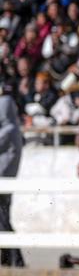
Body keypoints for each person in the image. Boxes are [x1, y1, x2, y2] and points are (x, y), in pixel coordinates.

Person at [0, 81, 24, 266]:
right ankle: (10, 258)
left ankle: (14, 258)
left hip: (3, 181)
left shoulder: (8, 131)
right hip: (6, 180)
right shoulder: (12, 129)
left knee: (3, 221)